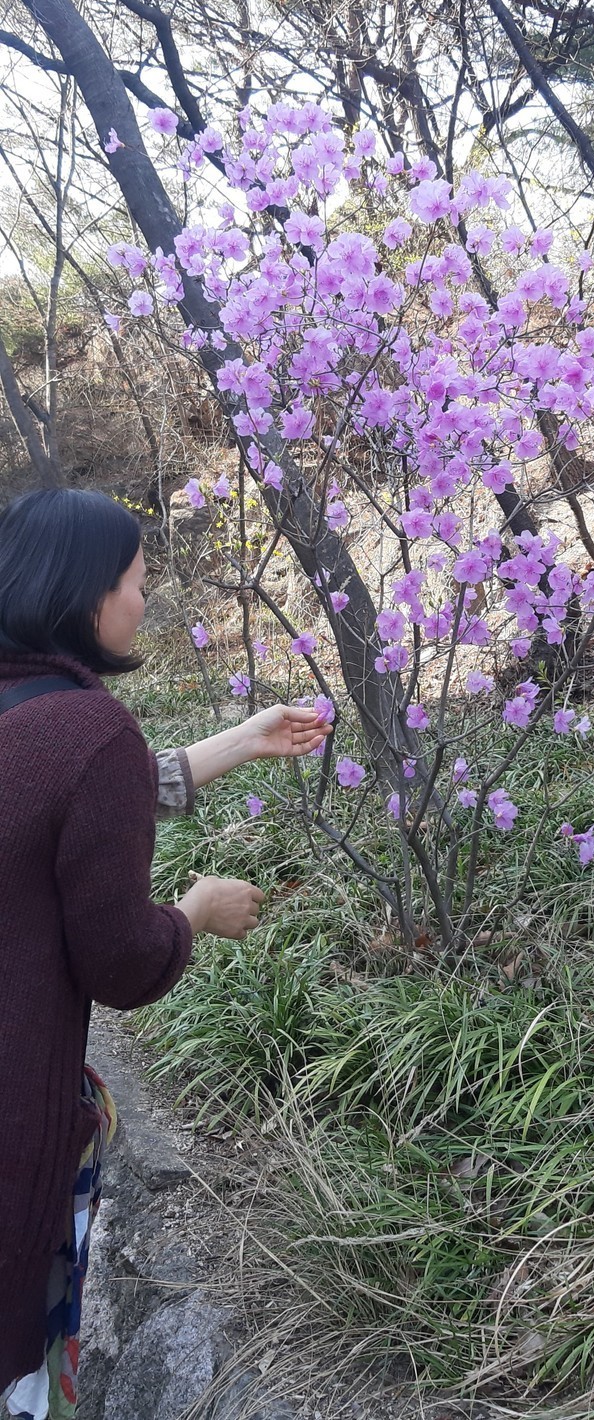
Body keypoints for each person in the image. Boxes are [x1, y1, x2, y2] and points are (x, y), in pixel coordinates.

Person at [0, 488, 328, 1418]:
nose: (145, 601)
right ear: (86, 593)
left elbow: (57, 798)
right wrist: (194, 913)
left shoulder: (27, 715)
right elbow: (121, 962)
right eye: (138, 581)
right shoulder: (89, 729)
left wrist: (242, 741)